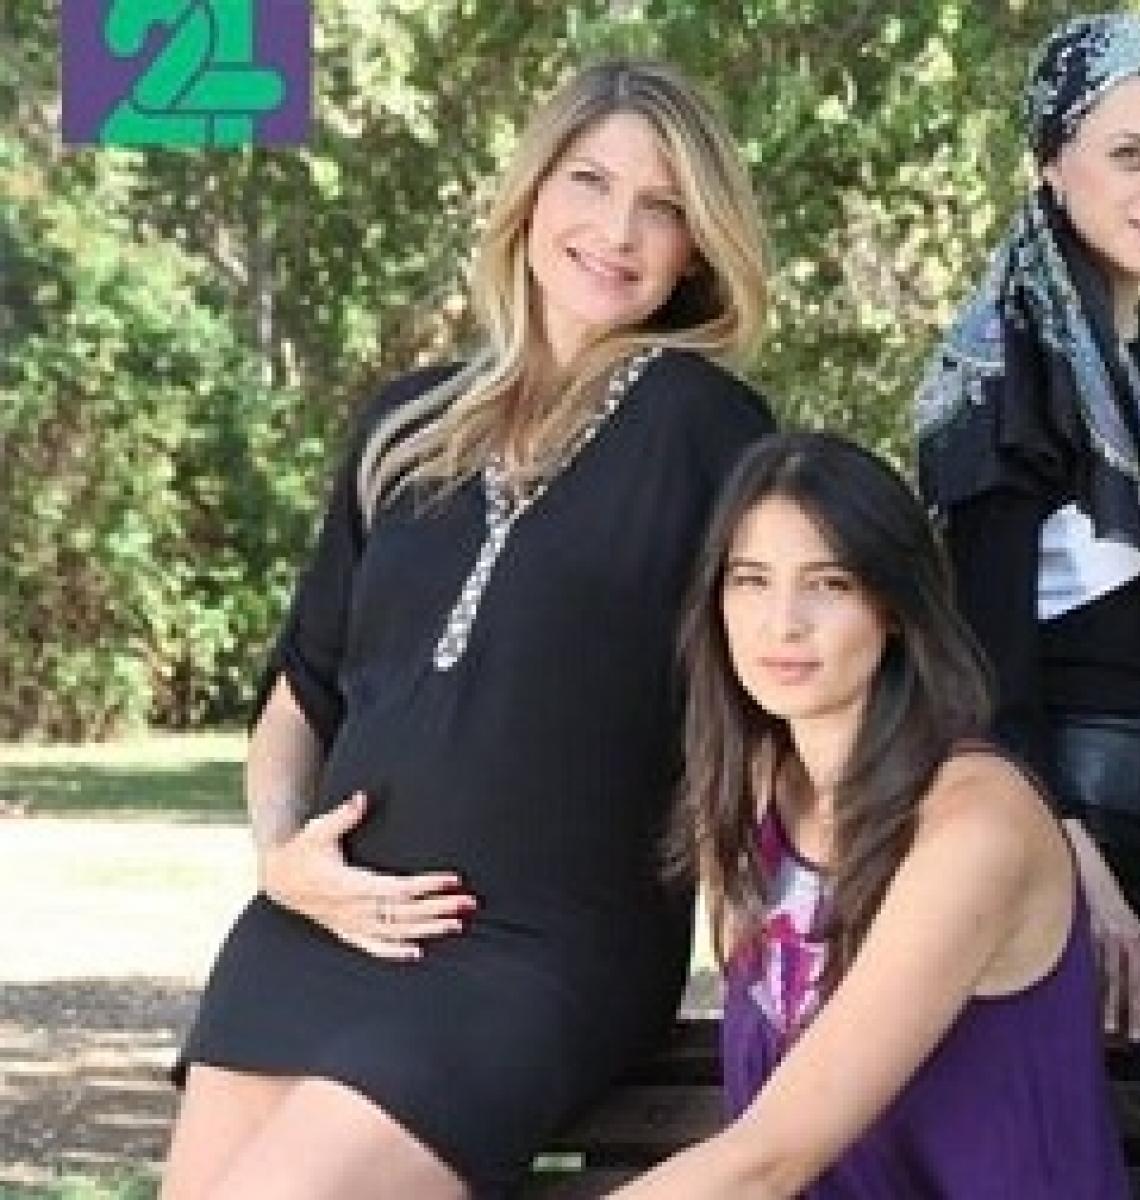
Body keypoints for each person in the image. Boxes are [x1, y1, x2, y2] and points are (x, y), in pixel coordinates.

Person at [163, 60, 778, 1197]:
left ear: (698, 247)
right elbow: (302, 696)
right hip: (314, 930)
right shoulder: (405, 425)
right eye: (589, 181)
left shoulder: (713, 431)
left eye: (661, 206)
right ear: (531, 193)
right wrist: (286, 861)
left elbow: (774, 701)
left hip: (533, 950)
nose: (616, 230)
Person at [617, 433, 1127, 1197]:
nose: (782, 622)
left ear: (892, 604)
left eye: (828, 583)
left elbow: (768, 1159)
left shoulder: (974, 825)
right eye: (750, 580)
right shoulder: (753, 792)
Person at [913, 12, 1140, 1040]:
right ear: (1054, 162)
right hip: (1082, 851)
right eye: (1132, 155)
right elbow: (985, 673)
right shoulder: (998, 371)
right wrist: (1082, 884)